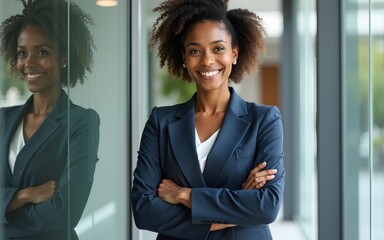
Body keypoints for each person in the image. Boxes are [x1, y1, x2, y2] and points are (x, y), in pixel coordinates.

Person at [131, 0, 285, 239]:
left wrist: (184, 195)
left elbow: (267, 205)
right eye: (195, 50)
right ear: (184, 57)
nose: (207, 60)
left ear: (234, 53)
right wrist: (230, 212)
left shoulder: (264, 120)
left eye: (218, 48)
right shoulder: (161, 122)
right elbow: (143, 210)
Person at [0, 0, 100, 239]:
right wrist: (25, 195)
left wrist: (5, 215)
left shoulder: (81, 122)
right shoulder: (4, 120)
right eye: (23, 53)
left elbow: (66, 212)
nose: (29, 63)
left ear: (63, 58)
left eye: (42, 52)